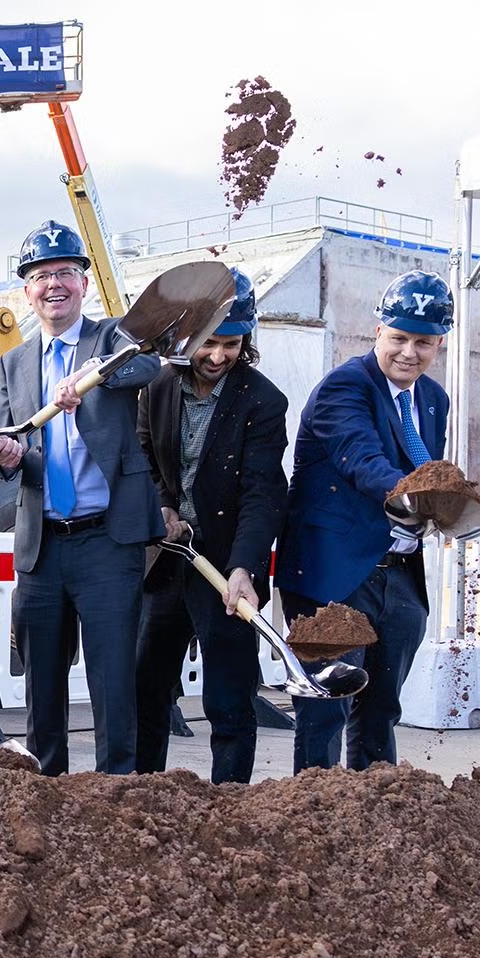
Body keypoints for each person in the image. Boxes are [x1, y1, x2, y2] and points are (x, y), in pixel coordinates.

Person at [0, 220, 162, 776]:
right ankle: (47, 794)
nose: (53, 284)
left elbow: (149, 364)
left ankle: (116, 794)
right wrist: (9, 454)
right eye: (41, 276)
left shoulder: (109, 339)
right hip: (43, 549)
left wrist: (94, 376)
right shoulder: (15, 362)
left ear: (84, 283)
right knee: (42, 682)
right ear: (27, 290)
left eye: (65, 272)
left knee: (113, 679)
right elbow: (12, 441)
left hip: (107, 542)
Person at [275, 269, 454, 772]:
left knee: (382, 712)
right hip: (333, 575)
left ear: (439, 342)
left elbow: (426, 465)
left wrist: (441, 509)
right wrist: (420, 497)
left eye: (424, 342)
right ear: (378, 332)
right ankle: (313, 821)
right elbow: (362, 458)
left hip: (400, 576)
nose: (409, 352)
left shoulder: (433, 400)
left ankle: (377, 826)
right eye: (399, 337)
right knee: (325, 706)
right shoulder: (345, 386)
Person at [133, 269, 288, 782]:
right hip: (167, 560)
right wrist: (161, 504)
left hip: (225, 565)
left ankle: (230, 804)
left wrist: (244, 565)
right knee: (147, 687)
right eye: (209, 343)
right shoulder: (157, 387)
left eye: (232, 344)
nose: (219, 356)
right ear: (189, 337)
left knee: (228, 696)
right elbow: (144, 456)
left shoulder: (263, 402)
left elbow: (263, 492)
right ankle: (142, 796)